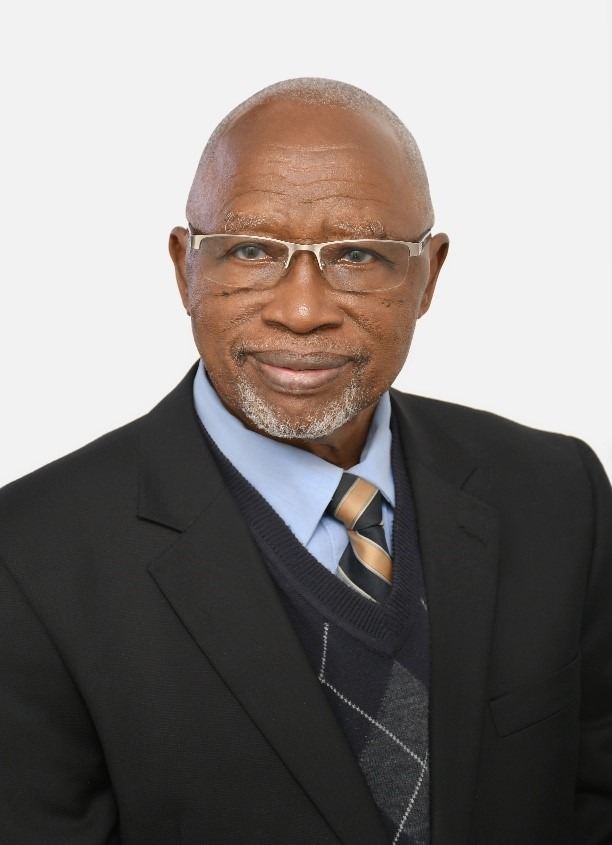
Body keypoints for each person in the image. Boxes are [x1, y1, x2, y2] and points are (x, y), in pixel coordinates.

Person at [0, 77, 610, 845]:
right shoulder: (28, 560)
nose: (301, 310)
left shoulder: (560, 495)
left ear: (428, 275)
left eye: (358, 254)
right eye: (251, 250)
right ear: (185, 268)